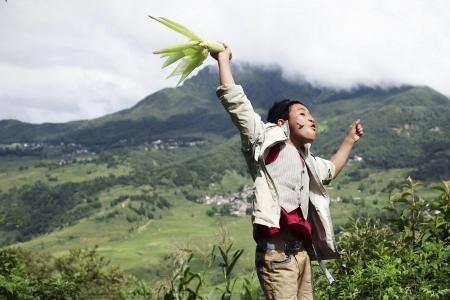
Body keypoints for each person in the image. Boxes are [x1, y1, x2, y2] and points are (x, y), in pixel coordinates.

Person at [212, 44, 364, 299]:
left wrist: (349, 141)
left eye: (312, 115)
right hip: (277, 256)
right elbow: (236, 103)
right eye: (303, 114)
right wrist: (223, 60)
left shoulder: (308, 161)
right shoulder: (264, 141)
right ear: (282, 123)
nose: (312, 119)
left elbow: (331, 170)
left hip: (302, 255)